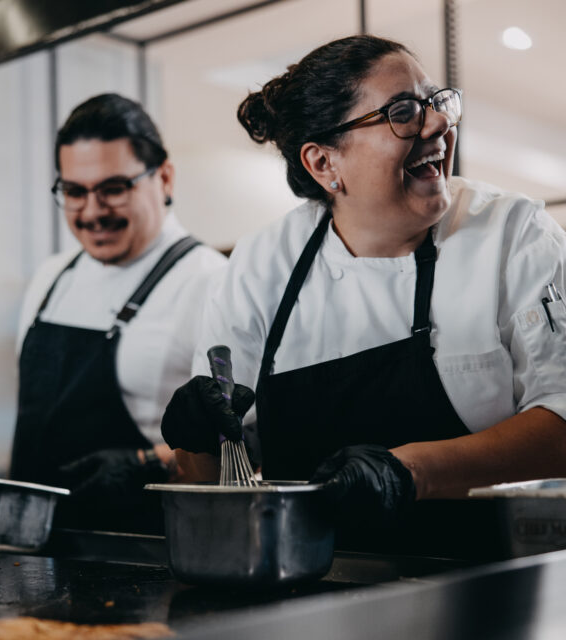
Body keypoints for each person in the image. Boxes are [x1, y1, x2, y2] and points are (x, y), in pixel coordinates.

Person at [161, 35, 566, 546]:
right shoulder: (262, 265)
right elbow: (215, 480)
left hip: (483, 581)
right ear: (324, 164)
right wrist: (198, 442)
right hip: (306, 589)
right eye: (403, 111)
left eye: (436, 102)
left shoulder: (512, 234)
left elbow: (561, 426)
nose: (439, 123)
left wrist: (410, 472)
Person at [10, 93, 226, 531]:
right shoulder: (52, 277)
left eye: (113, 189)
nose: (91, 212)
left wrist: (150, 463)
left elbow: (246, 443)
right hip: (31, 548)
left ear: (164, 178)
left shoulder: (212, 282)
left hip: (144, 557)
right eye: (74, 192)